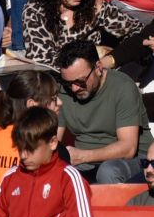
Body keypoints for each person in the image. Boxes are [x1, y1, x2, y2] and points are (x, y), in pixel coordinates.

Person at [55, 37, 148, 184]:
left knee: (108, 171)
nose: (74, 88)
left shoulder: (122, 87)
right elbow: (55, 139)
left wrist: (82, 156)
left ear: (98, 67)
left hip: (132, 160)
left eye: (80, 81)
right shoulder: (63, 91)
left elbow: (128, 148)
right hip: (84, 161)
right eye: (68, 83)